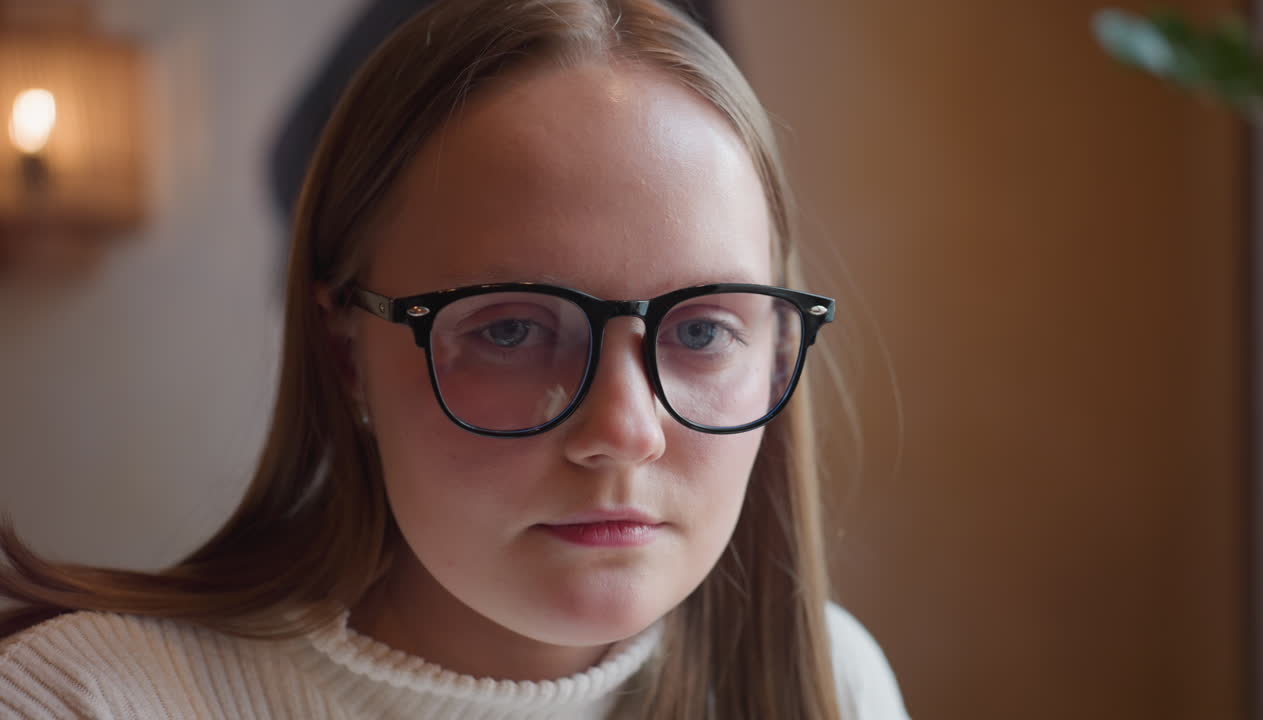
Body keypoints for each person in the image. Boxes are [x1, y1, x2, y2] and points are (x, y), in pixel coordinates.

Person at [0, 0, 910, 717]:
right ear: (343, 350)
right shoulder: (81, 702)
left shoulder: (837, 686)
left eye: (703, 331)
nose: (625, 433)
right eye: (510, 330)